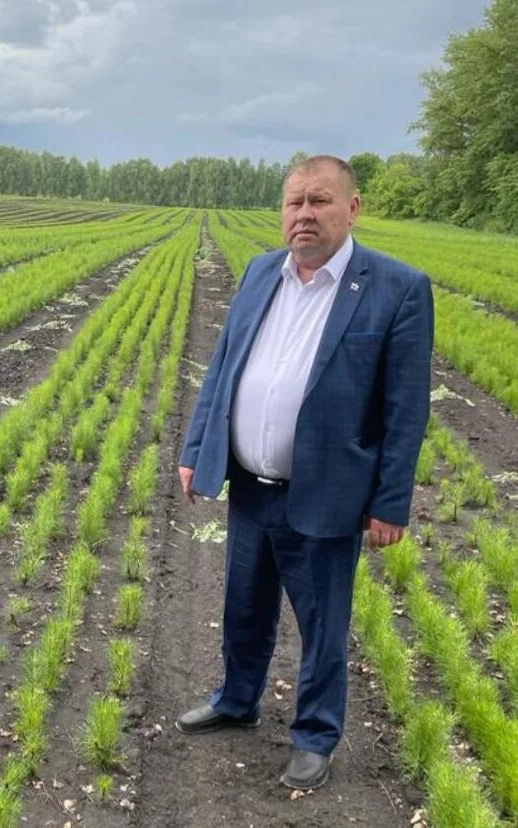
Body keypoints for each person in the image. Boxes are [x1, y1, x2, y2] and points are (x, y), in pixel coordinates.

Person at [175, 155, 433, 790]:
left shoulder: (396, 287)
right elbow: (225, 367)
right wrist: (196, 446)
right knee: (243, 607)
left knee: (322, 625)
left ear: (353, 207)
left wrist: (391, 503)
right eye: (294, 203)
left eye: (319, 201)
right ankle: (238, 700)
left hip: (327, 493)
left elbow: (406, 410)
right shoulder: (263, 271)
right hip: (251, 486)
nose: (304, 215)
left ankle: (316, 735)